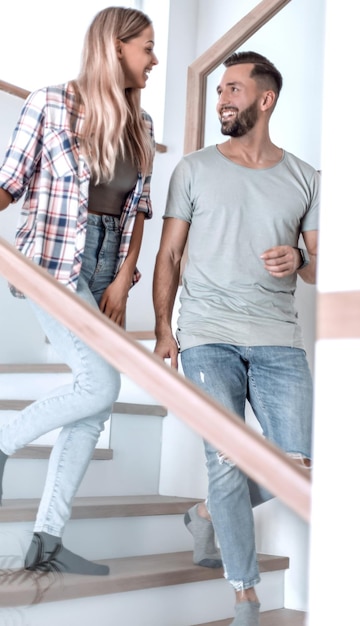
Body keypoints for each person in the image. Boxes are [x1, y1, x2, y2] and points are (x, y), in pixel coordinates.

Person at [153, 51, 318, 625]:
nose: (222, 98)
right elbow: (169, 254)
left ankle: (204, 515)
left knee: (300, 464)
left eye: (233, 89)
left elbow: (319, 267)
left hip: (278, 337)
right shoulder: (194, 170)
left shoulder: (304, 177)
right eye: (219, 88)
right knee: (227, 459)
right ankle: (245, 597)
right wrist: (162, 331)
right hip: (206, 334)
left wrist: (299, 257)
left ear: (264, 100)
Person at [0, 6, 158, 575]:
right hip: (51, 266)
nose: (154, 59)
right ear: (116, 48)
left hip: (104, 268)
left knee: (94, 405)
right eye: (147, 47)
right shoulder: (48, 104)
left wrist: (122, 278)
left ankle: (46, 539)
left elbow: (138, 208)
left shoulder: (143, 124)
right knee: (101, 382)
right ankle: (3, 442)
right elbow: (10, 183)